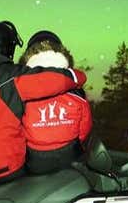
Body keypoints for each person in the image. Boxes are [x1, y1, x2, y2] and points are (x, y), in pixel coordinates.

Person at [0, 21, 86, 181]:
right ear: (7, 47)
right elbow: (53, 81)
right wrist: (77, 76)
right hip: (6, 171)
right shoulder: (11, 77)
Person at [18, 30, 92, 174]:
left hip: (34, 160)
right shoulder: (75, 90)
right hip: (70, 157)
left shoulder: (21, 91)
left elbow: (15, 127)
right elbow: (85, 127)